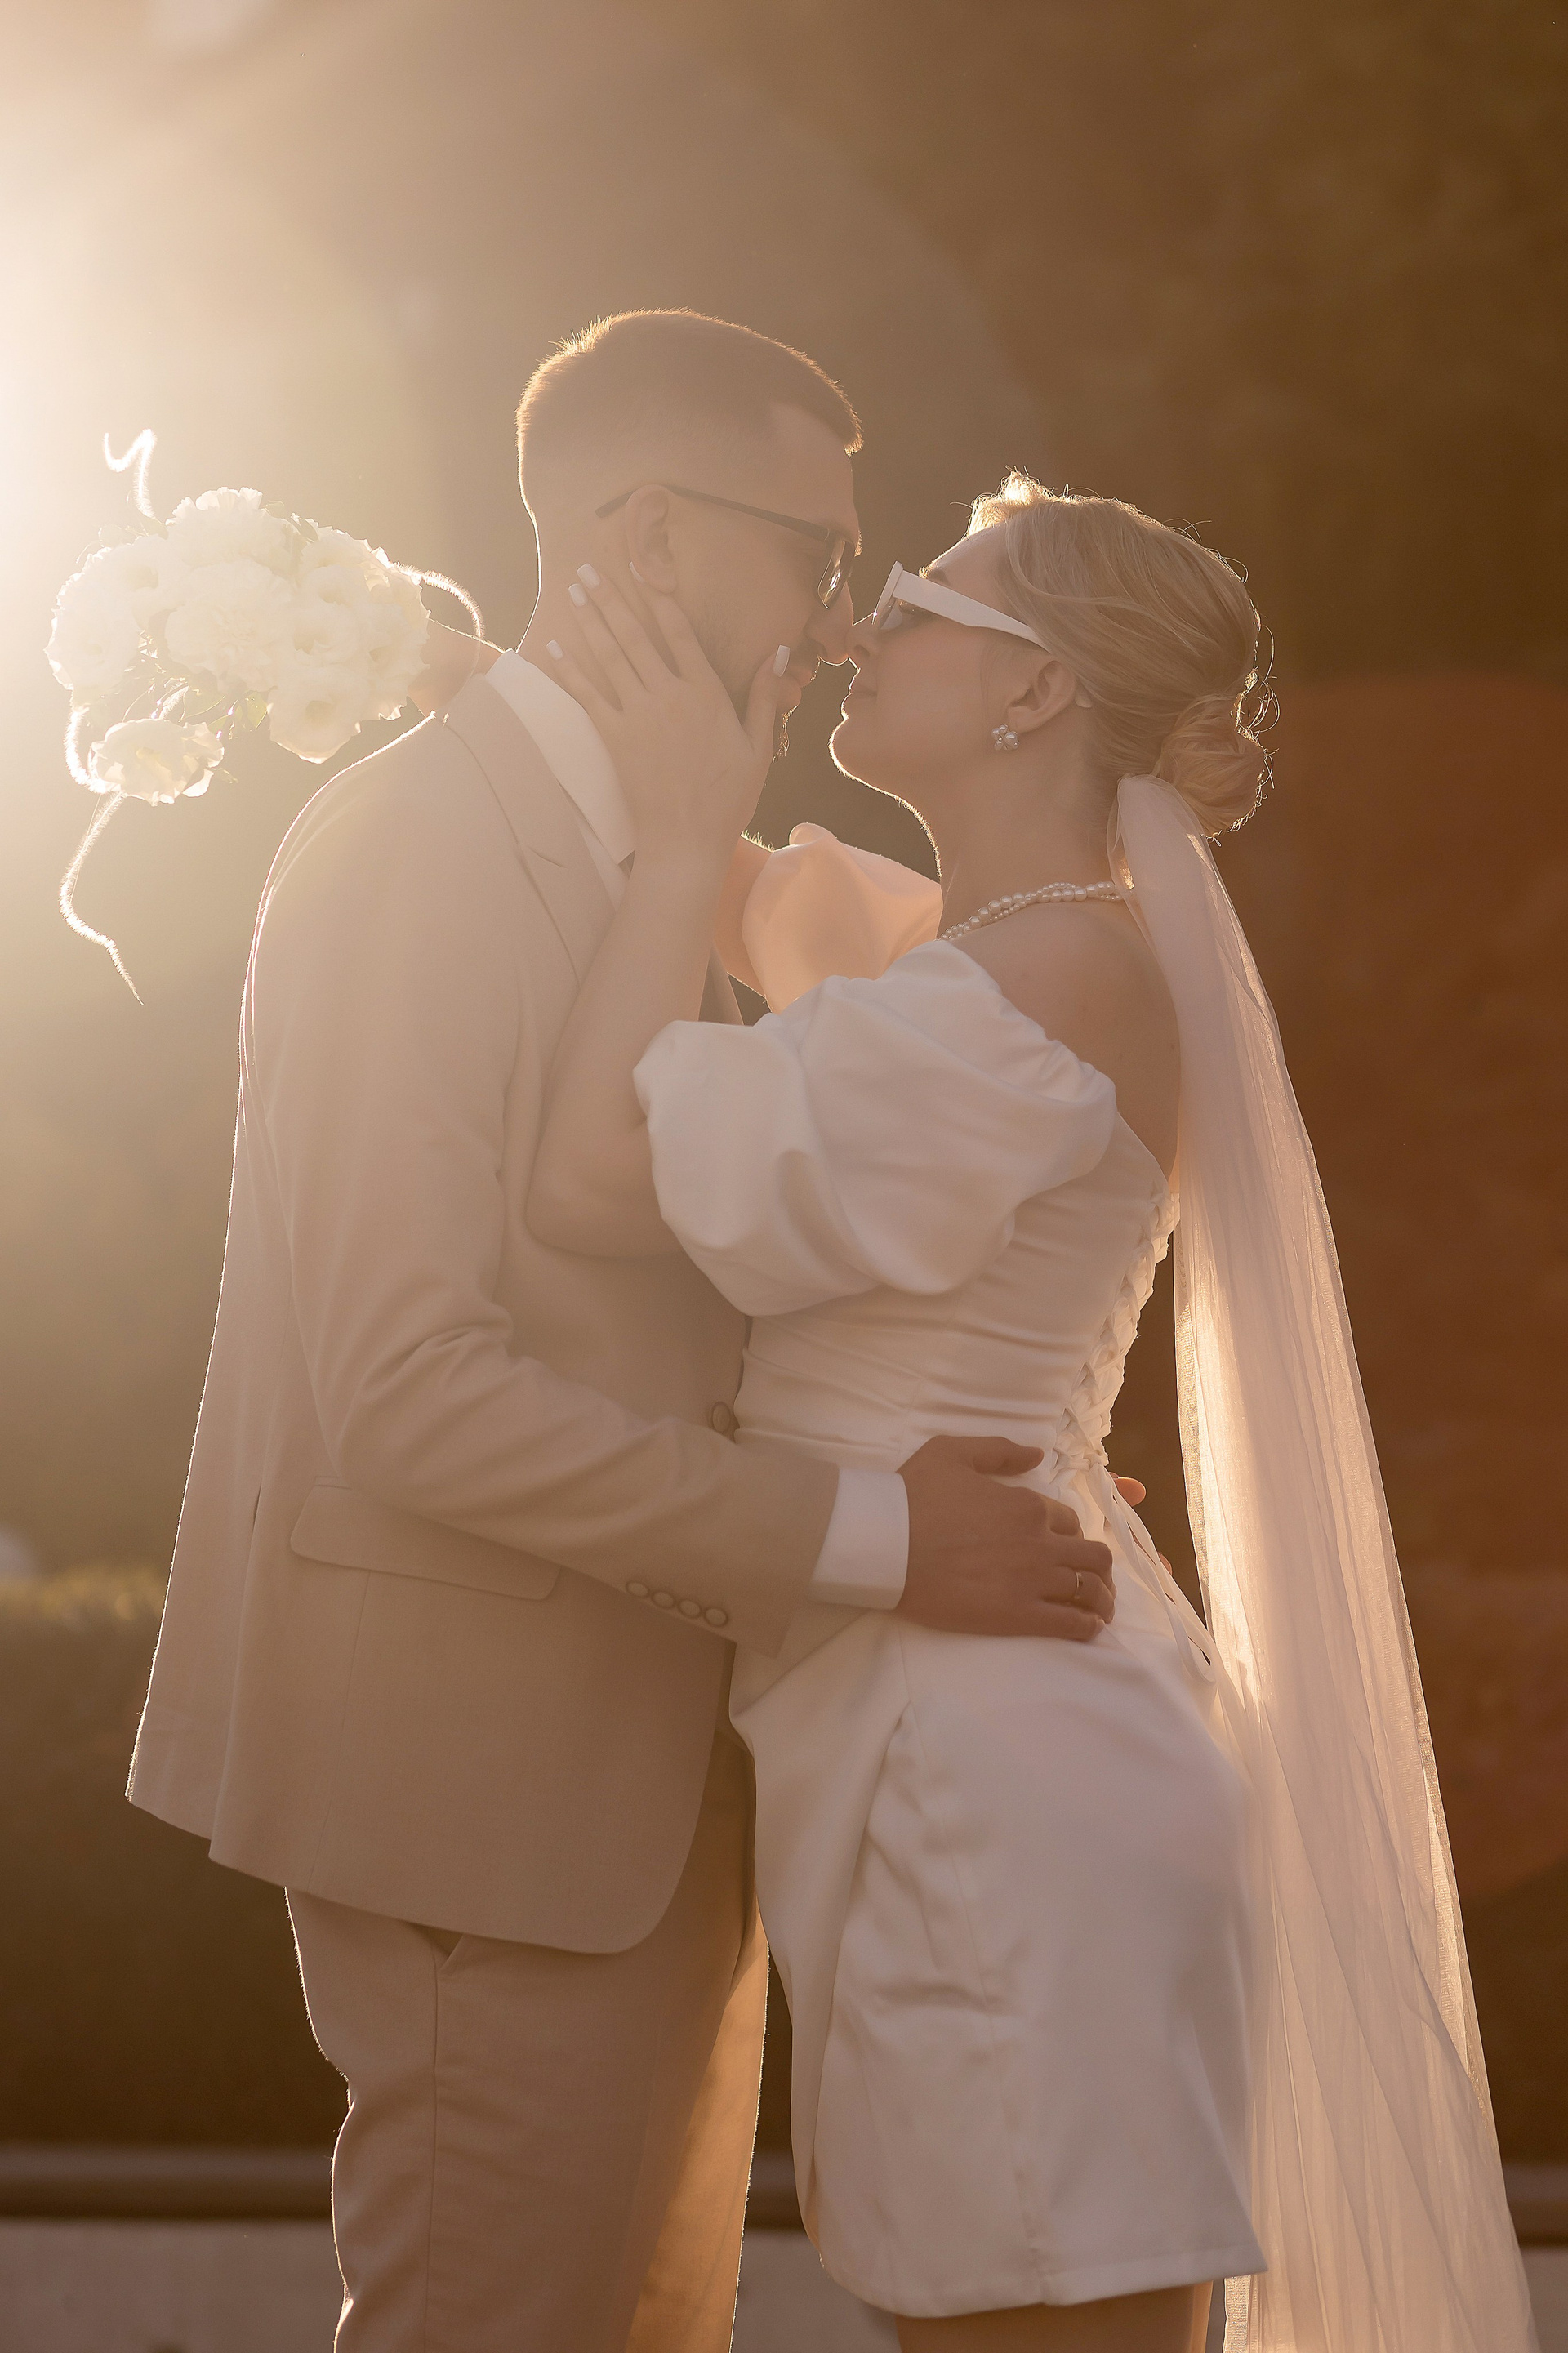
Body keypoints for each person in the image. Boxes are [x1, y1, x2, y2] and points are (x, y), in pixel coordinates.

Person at [126, 313, 1133, 2353]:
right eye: (815, 557)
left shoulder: (659, 841)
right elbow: (409, 1392)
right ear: (648, 535)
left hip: (659, 1775)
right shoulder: (417, 850)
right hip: (488, 1794)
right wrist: (880, 1534)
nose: (840, 625)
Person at [528, 476, 1536, 2352]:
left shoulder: (1048, 971)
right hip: (988, 1718)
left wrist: (671, 844)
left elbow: (596, 1165)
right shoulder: (993, 958)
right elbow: (775, 909)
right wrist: (432, 660)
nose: (862, 622)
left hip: (995, 1772)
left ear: (1033, 692)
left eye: (918, 597)